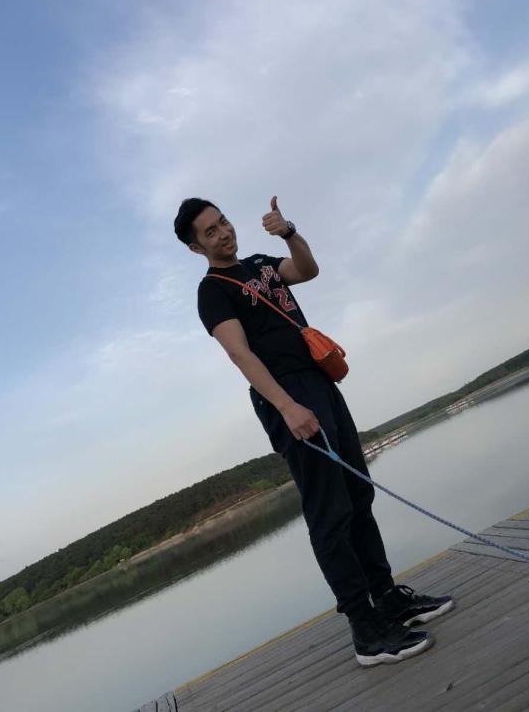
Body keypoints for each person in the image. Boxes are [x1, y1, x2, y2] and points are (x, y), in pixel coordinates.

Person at [174, 196, 454, 666]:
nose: (223, 233)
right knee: (330, 513)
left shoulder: (260, 264)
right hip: (286, 394)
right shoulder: (212, 291)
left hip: (319, 382)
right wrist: (286, 406)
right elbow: (239, 353)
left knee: (358, 495)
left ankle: (388, 600)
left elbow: (307, 270)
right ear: (195, 247)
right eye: (210, 232)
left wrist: (288, 232)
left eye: (223, 222)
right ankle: (365, 630)